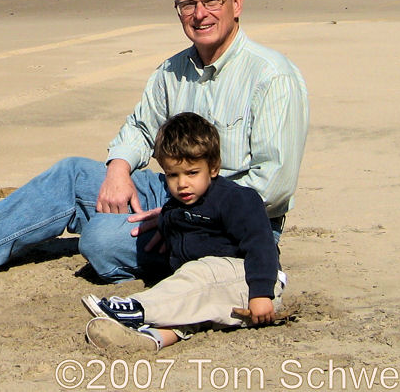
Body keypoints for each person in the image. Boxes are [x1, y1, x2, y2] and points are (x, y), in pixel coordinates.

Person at [0, 0, 308, 285]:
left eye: (211, 0)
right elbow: (141, 129)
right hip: (172, 189)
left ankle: (78, 223)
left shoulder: (271, 77)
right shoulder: (171, 71)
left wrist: (180, 215)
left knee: (101, 242)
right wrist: (120, 169)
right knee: (73, 174)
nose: (200, 13)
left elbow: (273, 185)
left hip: (235, 225)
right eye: (188, 4)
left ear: (236, 3)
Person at [80, 111, 285, 352]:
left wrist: (261, 294)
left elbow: (261, 245)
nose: (182, 183)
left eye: (192, 173)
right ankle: (149, 338)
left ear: (214, 168)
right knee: (190, 309)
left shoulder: (237, 199)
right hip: (215, 294)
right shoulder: (174, 209)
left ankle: (136, 308)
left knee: (198, 277)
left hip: (253, 281)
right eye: (172, 175)